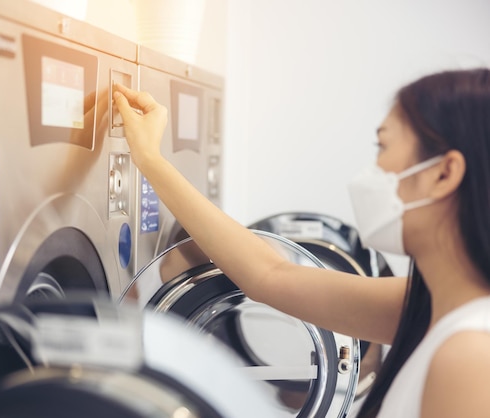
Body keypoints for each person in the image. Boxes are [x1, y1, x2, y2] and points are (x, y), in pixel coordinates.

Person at [112, 68, 490, 418]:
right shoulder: (431, 305)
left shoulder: (470, 354)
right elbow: (270, 275)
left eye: (383, 148)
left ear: (443, 174)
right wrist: (150, 160)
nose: (372, 173)